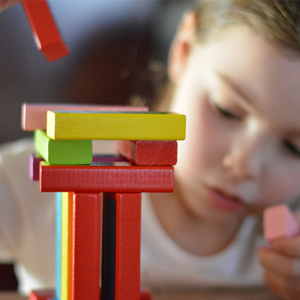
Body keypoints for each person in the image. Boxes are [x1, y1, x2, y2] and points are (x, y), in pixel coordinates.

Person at [1, 1, 300, 300]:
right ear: (183, 49)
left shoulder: (291, 246)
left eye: (293, 147)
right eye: (227, 111)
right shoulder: (42, 185)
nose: (245, 165)